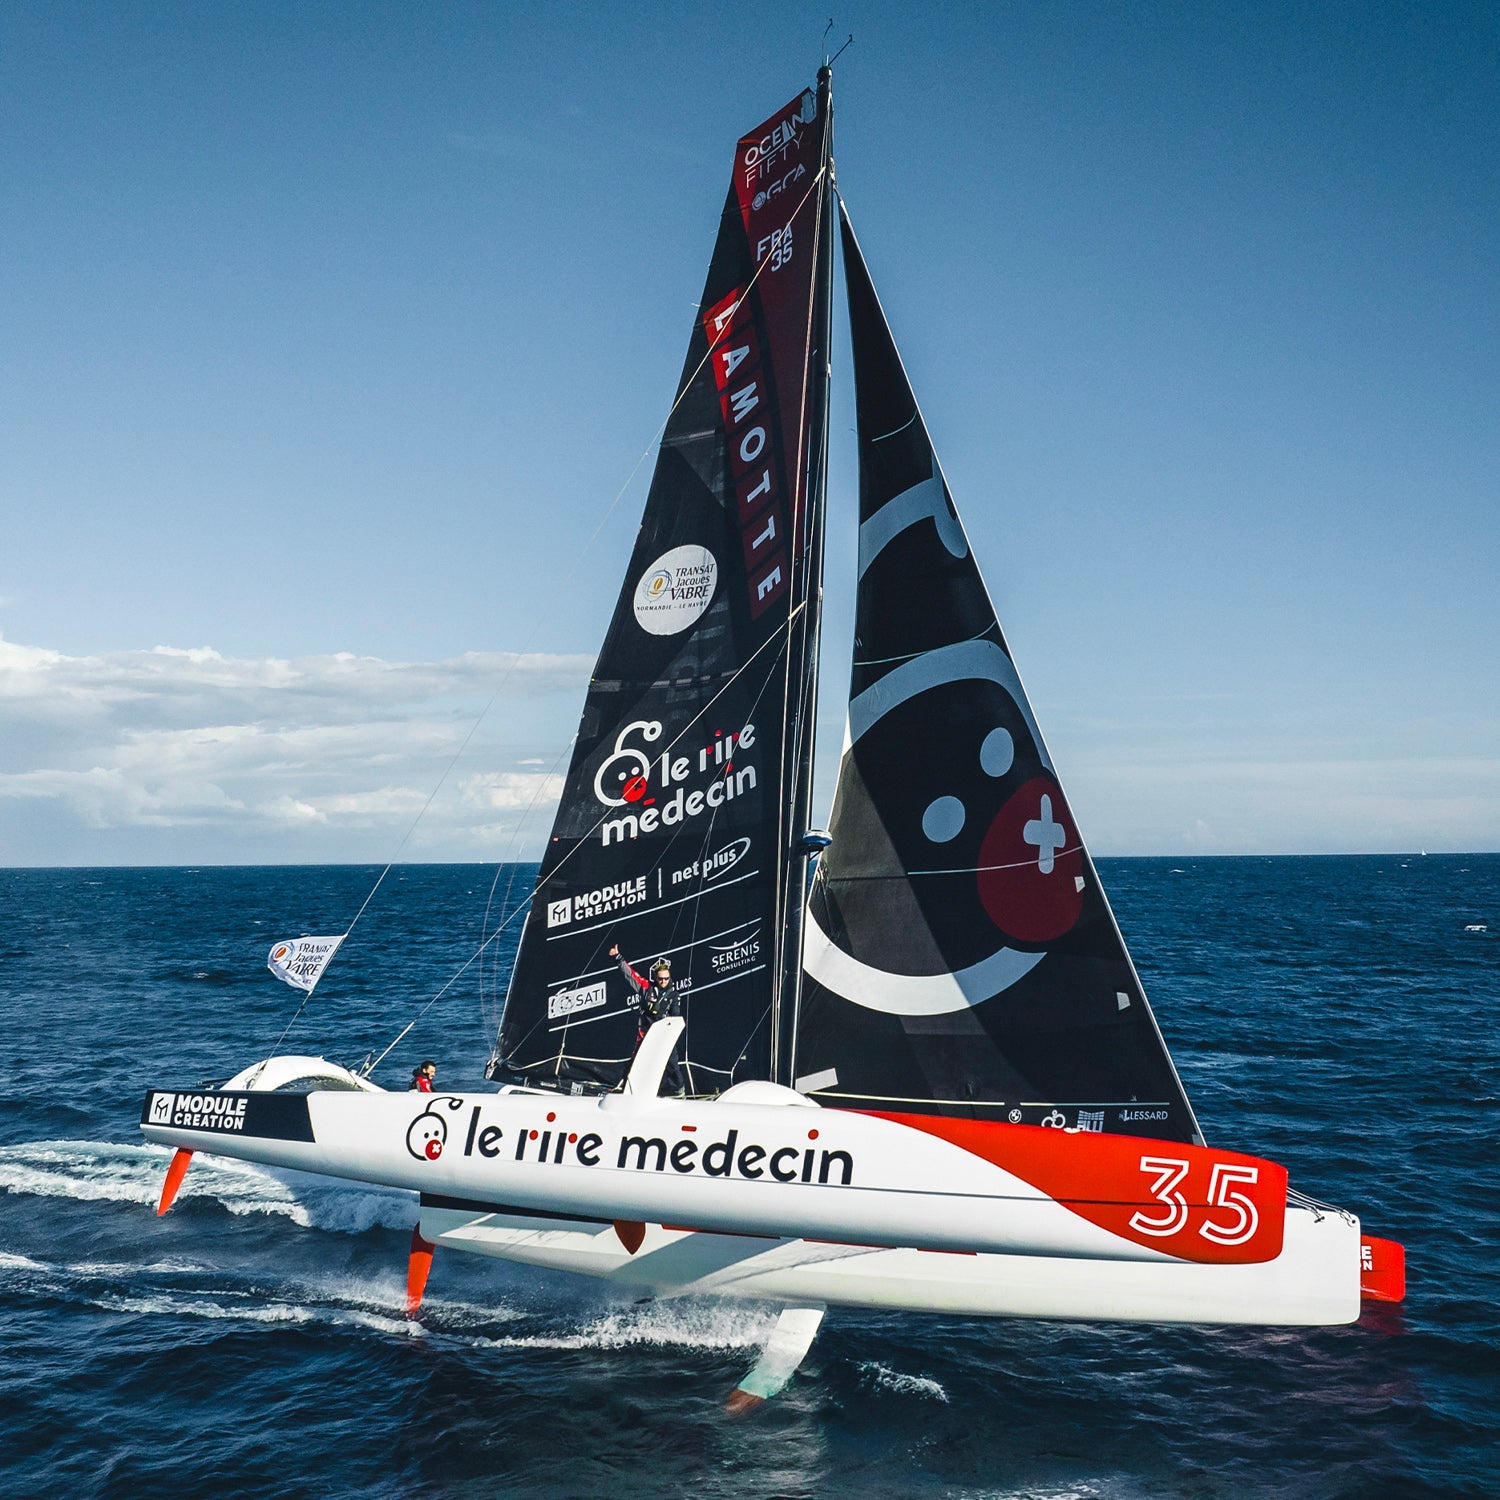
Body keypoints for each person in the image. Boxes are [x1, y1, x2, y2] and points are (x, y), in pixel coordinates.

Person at [609, 943, 683, 1095]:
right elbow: (631, 975)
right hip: (645, 1032)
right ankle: (625, 1089)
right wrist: (618, 958)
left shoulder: (674, 995)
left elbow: (676, 1016)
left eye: (666, 978)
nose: (664, 981)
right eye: (661, 978)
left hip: (663, 1033)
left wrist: (668, 1028)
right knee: (636, 1060)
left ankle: (678, 1091)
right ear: (656, 977)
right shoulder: (647, 987)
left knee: (672, 1063)